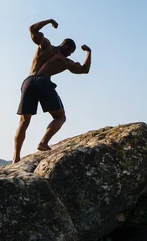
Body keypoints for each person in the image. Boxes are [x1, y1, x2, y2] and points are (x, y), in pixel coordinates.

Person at [12, 19, 92, 163]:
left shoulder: (45, 46)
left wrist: (49, 22)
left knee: (24, 121)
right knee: (60, 117)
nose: (70, 55)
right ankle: (43, 142)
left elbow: (33, 30)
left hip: (28, 82)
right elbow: (84, 70)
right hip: (43, 82)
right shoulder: (64, 61)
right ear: (65, 47)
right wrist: (88, 52)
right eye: (70, 52)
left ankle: (15, 158)